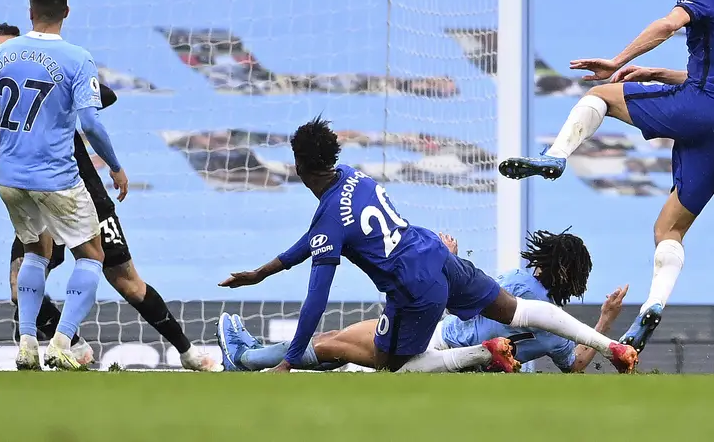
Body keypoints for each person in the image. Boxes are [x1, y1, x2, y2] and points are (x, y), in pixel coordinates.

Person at [499, 0, 714, 354]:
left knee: (600, 95)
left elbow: (667, 24)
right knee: (669, 229)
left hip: (701, 106)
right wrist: (658, 73)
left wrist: (619, 61)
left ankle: (555, 157)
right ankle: (652, 308)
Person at [219, 117, 638, 374]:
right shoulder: (352, 175)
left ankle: (480, 354)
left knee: (383, 362)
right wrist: (263, 272)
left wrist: (291, 362)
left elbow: (316, 298)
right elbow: (317, 240)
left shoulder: (330, 216)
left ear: (299, 166)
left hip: (413, 287)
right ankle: (613, 348)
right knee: (518, 309)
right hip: (434, 254)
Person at [0, 24, 216, 372]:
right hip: (33, 198)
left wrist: (71, 90)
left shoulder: (51, 83)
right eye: (2, 53)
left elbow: (107, 97)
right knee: (20, 284)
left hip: (81, 190)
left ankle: (186, 351)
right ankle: (72, 344)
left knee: (127, 283)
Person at [0, 0, 127, 371]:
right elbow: (91, 122)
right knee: (92, 255)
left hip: (11, 179)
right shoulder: (77, 57)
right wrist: (116, 167)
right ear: (66, 12)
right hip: (57, 177)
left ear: (30, 12)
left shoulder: (1, 56)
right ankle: (64, 340)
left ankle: (27, 342)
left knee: (36, 251)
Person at [218, 230, 628, 373]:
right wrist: (605, 322)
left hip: (436, 341)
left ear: (548, 263)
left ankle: (244, 357)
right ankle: (250, 354)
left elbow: (465, 297)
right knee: (339, 345)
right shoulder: (555, 328)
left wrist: (448, 259)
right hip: (469, 365)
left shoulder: (519, 283)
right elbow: (574, 365)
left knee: (332, 342)